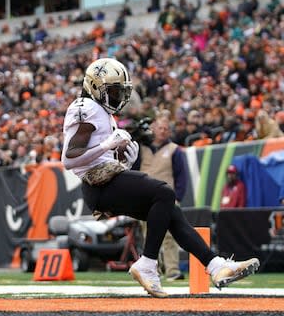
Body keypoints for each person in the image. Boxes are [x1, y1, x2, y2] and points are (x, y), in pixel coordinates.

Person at [61, 57, 259, 297]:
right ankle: (147, 263)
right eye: (112, 91)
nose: (117, 97)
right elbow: (70, 158)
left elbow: (98, 157)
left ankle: (215, 265)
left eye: (119, 92)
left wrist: (124, 160)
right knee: (164, 192)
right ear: (94, 87)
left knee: (171, 212)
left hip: (106, 180)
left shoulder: (101, 111)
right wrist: (106, 146)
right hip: (98, 183)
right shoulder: (87, 107)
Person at [138, 116, 187, 281]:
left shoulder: (174, 150)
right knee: (147, 235)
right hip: (144, 197)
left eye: (166, 128)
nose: (163, 131)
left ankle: (172, 270)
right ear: (153, 129)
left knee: (169, 235)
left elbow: (181, 176)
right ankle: (152, 270)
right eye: (160, 128)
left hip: (166, 197)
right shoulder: (142, 148)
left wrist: (177, 197)